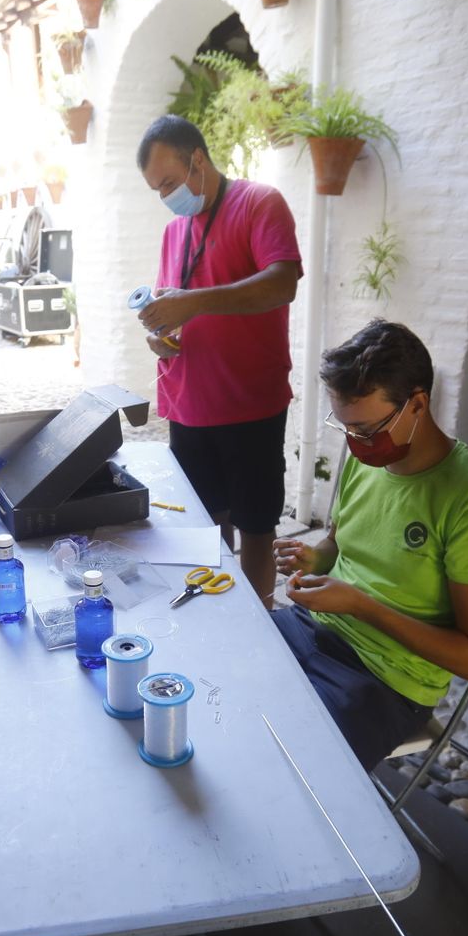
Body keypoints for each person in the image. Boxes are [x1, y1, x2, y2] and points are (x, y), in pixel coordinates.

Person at [270, 320, 468, 768]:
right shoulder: (368, 458)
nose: (357, 443)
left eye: (367, 429)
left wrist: (360, 606)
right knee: (214, 681)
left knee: (288, 769)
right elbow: (337, 543)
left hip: (383, 680)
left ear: (417, 404)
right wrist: (315, 558)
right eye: (346, 428)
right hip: (310, 628)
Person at [135, 115, 303, 607]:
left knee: (256, 525)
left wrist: (195, 302)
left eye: (170, 182)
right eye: (157, 189)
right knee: (207, 528)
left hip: (249, 402)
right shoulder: (174, 231)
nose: (166, 196)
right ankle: (220, 617)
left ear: (198, 160)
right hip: (189, 404)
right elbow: (175, 308)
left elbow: (282, 283)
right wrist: (162, 336)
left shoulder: (259, 202)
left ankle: (261, 621)